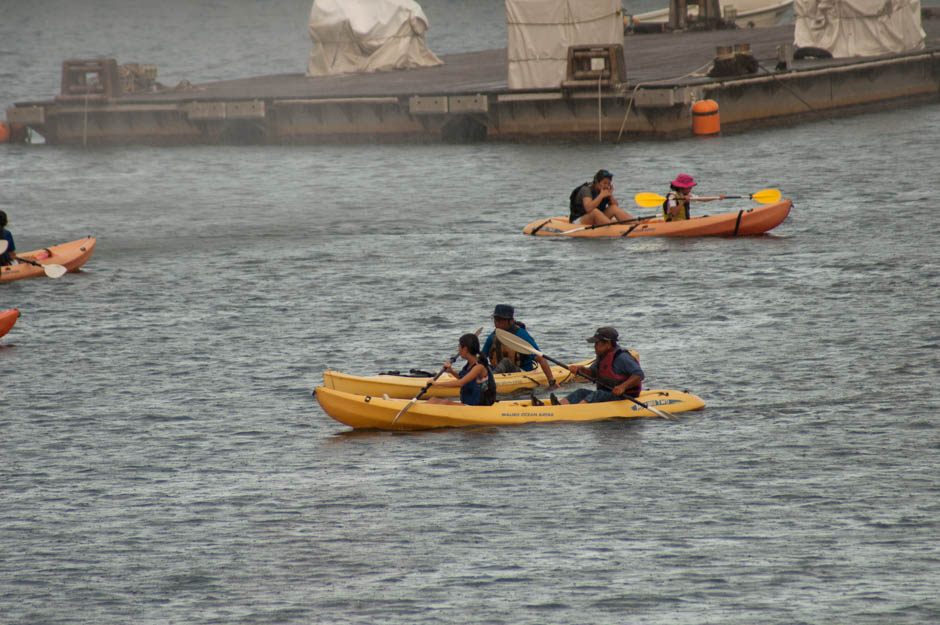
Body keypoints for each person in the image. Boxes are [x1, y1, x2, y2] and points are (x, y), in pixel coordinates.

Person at [551, 327, 644, 405]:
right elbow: (592, 373)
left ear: (608, 344)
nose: (594, 346)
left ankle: (574, 410)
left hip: (624, 397)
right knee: (580, 392)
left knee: (598, 394)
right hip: (607, 394)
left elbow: (639, 375)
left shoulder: (622, 358)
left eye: (597, 343)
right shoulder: (602, 357)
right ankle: (559, 406)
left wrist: (622, 387)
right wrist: (580, 369)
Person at [481, 304, 559, 389]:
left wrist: (551, 381)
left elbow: (541, 358)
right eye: (495, 319)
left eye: (500, 320)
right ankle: (488, 378)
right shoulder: (493, 336)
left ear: (511, 321)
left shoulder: (521, 335)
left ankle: (489, 380)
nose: (496, 322)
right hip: (500, 374)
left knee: (506, 362)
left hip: (522, 372)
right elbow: (482, 357)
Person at [427, 333, 495, 406]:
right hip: (469, 403)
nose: (458, 350)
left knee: (445, 403)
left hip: (478, 406)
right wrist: (451, 371)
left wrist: (437, 384)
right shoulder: (469, 365)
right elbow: (463, 378)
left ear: (465, 349)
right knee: (432, 399)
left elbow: (460, 382)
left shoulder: (478, 367)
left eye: (459, 347)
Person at [569, 169, 634, 226]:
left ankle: (635, 224)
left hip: (597, 218)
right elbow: (588, 209)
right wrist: (601, 196)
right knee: (595, 212)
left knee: (613, 208)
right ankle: (614, 229)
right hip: (579, 221)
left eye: (608, 183)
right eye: (604, 183)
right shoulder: (586, 190)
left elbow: (616, 206)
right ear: (597, 182)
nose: (606, 186)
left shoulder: (604, 191)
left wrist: (610, 195)